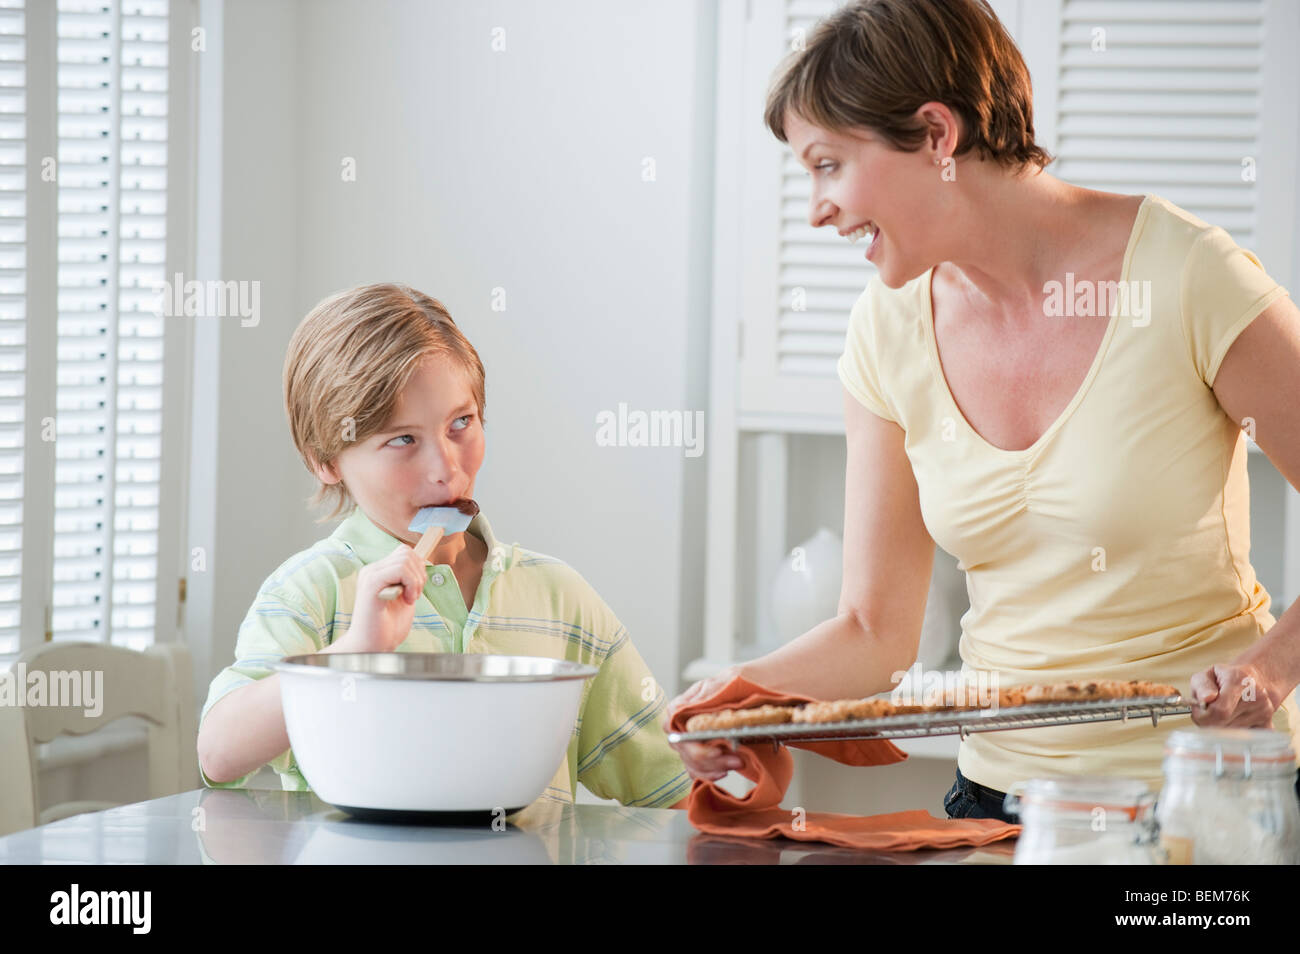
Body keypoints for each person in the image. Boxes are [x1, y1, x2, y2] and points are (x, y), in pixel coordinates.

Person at [666, 0, 1300, 821]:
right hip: (997, 805)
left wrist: (1273, 667)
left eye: (827, 164)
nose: (816, 206)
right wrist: (731, 701)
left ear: (936, 136)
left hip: (1203, 799)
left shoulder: (1187, 277)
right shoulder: (886, 330)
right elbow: (870, 630)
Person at [197, 283, 690, 810]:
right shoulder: (310, 594)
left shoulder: (560, 598)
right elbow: (219, 753)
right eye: (403, 440)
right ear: (325, 459)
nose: (448, 469)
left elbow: (672, 792)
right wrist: (356, 651)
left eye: (462, 423)